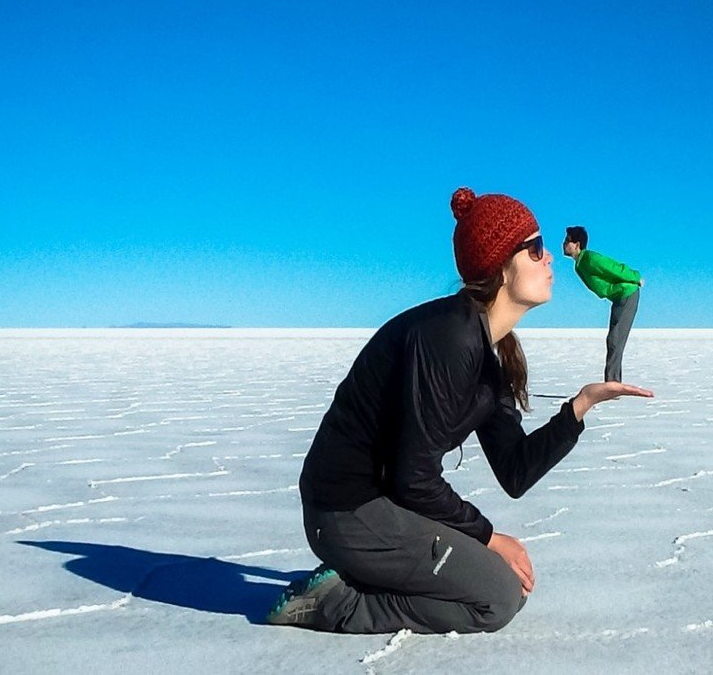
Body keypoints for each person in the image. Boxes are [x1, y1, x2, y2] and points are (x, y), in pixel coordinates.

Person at [267, 188, 653, 635]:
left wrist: (579, 408)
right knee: (498, 596)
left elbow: (515, 471)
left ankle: (361, 575)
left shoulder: (492, 356)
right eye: (535, 248)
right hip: (344, 510)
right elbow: (413, 477)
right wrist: (490, 537)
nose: (549, 259)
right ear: (500, 266)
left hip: (384, 505)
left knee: (498, 583)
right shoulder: (448, 337)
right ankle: (337, 602)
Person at [562, 226, 643, 383]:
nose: (564, 244)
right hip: (618, 297)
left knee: (615, 339)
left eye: (567, 241)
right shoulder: (579, 264)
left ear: (577, 244)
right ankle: (613, 383)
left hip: (627, 293)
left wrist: (635, 277)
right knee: (613, 339)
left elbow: (612, 267)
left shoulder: (590, 258)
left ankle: (612, 384)